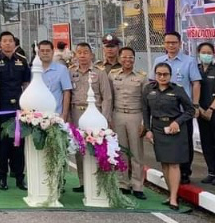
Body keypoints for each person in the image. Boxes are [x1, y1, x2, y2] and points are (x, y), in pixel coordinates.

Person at [143, 62, 196, 212]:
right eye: (159, 74)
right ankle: (170, 193)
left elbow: (190, 110)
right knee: (165, 163)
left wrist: (177, 122)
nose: (162, 77)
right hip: (158, 129)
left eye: (165, 74)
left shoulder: (177, 90)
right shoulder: (148, 90)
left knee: (173, 164)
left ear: (170, 75)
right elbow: (145, 111)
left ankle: (174, 197)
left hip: (174, 130)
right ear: (155, 75)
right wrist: (148, 129)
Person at [153, 31, 201, 184]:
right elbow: (152, 83)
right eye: (167, 43)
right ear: (164, 44)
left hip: (182, 111)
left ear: (180, 43)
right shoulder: (159, 60)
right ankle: (169, 171)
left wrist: (195, 105)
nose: (171, 45)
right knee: (166, 143)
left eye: (174, 42)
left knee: (184, 143)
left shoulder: (189, 61)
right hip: (163, 110)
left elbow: (196, 83)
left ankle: (185, 172)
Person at [0, 31, 30, 191]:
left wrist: (26, 107)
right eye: (4, 41)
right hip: (1, 109)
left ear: (14, 43)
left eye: (10, 41)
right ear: (0, 44)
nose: (7, 44)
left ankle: (20, 177)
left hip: (18, 109)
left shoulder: (22, 61)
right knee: (1, 145)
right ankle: (2, 177)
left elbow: (26, 84)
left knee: (18, 144)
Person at [69, 42, 112, 191]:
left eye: (85, 52)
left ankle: (98, 180)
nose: (82, 55)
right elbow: (68, 95)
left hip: (95, 113)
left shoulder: (99, 72)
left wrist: (104, 119)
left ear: (91, 55)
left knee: (97, 146)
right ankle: (83, 182)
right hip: (76, 112)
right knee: (79, 148)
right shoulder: (71, 72)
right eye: (79, 52)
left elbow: (107, 97)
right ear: (75, 55)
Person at [109, 46, 147, 199]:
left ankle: (137, 185)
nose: (127, 60)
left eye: (130, 57)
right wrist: (109, 118)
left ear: (134, 59)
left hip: (135, 115)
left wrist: (145, 122)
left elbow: (146, 102)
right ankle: (123, 183)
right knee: (121, 151)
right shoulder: (112, 75)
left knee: (137, 152)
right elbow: (109, 98)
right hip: (118, 115)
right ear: (119, 59)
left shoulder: (141, 77)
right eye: (124, 57)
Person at [194, 42, 215, 187]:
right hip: (201, 111)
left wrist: (211, 109)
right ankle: (211, 171)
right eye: (203, 52)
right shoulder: (195, 70)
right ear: (198, 53)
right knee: (206, 141)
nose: (206, 55)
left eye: (209, 52)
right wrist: (200, 109)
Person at [36, 40, 72, 119]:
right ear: (38, 53)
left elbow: (66, 92)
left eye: (48, 50)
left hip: (56, 115)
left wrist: (64, 115)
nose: (45, 53)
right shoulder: (34, 70)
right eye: (42, 51)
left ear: (53, 52)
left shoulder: (62, 69)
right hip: (37, 116)